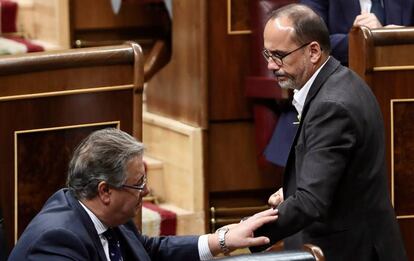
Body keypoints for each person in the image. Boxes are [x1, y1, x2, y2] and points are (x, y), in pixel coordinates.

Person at [250, 4, 407, 260]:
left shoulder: (331, 106)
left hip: (350, 251)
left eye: (279, 55)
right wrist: (291, 192)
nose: (270, 65)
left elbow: (311, 201)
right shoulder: (341, 80)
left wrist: (249, 231)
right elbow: (333, 174)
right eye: (267, 54)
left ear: (313, 51)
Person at [8, 128, 278, 260]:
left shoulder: (109, 216)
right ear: (105, 191)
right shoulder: (56, 241)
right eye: (138, 183)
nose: (146, 191)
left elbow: (145, 250)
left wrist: (222, 240)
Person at [300, 0, 414, 65]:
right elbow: (309, 42)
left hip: (400, 81)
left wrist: (391, 36)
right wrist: (363, 37)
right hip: (339, 83)